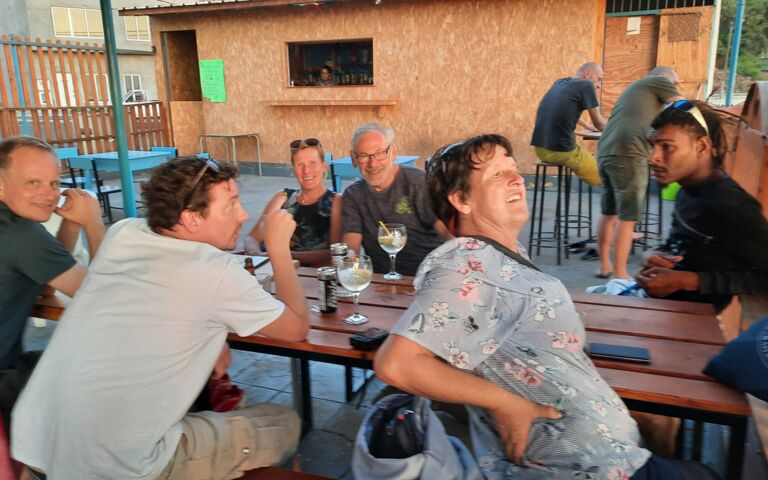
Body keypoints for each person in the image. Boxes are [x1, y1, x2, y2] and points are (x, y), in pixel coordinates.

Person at [374, 134, 720, 479]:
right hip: (582, 468)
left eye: (513, 168)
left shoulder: (502, 254)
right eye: (497, 174)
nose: (517, 178)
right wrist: (506, 404)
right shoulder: (466, 262)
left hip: (606, 456)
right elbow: (398, 364)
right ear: (461, 200)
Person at [12, 157, 309, 479]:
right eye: (231, 205)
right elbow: (296, 327)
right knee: (283, 422)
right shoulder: (217, 271)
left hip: (35, 446)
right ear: (191, 218)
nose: (244, 214)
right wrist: (279, 249)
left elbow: (124, 294)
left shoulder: (124, 232)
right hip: (116, 466)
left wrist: (213, 335)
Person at [0, 136, 104, 431]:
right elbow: (105, 298)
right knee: (102, 367)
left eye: (55, 183)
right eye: (33, 183)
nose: (49, 195)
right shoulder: (21, 233)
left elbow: (45, 284)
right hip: (3, 379)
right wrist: (93, 223)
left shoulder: (14, 226)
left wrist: (71, 223)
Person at [636, 100, 768, 312]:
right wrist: (652, 256)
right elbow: (678, 246)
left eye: (667, 147)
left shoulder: (732, 206)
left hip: (695, 324)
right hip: (663, 311)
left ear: (702, 146)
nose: (653, 158)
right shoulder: (686, 190)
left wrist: (689, 281)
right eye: (653, 146)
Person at [595, 66, 684, 279]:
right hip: (629, 152)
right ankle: (620, 273)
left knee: (609, 213)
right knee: (628, 218)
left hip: (606, 151)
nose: (675, 87)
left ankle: (604, 266)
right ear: (665, 79)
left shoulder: (636, 92)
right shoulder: (659, 81)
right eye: (675, 83)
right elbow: (684, 107)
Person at [342, 123, 451, 276]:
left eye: (380, 153)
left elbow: (447, 234)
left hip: (427, 277)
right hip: (381, 281)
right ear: (354, 159)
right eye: (363, 156)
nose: (372, 163)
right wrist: (349, 268)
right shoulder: (353, 195)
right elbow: (351, 247)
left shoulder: (418, 183)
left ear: (393, 152)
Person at [245, 137, 342, 267]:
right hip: (275, 268)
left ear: (324, 166)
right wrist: (257, 255)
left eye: (312, 163)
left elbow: (334, 254)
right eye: (300, 164)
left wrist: (284, 255)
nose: (306, 170)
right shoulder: (282, 197)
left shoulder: (335, 201)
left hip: (312, 274)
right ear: (294, 170)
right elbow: (252, 237)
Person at [530, 62, 607, 186]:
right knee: (605, 178)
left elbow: (562, 110)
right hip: (561, 152)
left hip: (540, 150)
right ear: (588, 74)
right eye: (598, 79)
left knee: (584, 155)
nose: (598, 85)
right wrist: (618, 130)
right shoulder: (586, 84)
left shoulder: (560, 83)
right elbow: (600, 124)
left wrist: (587, 126)